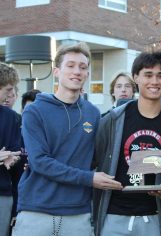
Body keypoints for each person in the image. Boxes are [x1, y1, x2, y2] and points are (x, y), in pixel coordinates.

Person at [12, 42, 122, 236]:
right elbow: (39, 161)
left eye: (83, 67)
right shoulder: (34, 111)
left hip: (77, 213)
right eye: (70, 66)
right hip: (36, 210)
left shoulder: (93, 113)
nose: (77, 71)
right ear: (56, 71)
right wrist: (89, 178)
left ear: (87, 73)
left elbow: (97, 157)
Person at [93, 51, 161, 236]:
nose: (154, 82)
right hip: (114, 217)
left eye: (160, 76)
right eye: (148, 75)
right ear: (136, 78)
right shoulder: (112, 121)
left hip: (156, 219)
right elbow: (95, 162)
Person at [0, 63, 22, 236]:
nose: (10, 94)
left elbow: (16, 151)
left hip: (3, 193)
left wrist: (12, 158)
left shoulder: (12, 117)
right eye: (8, 89)